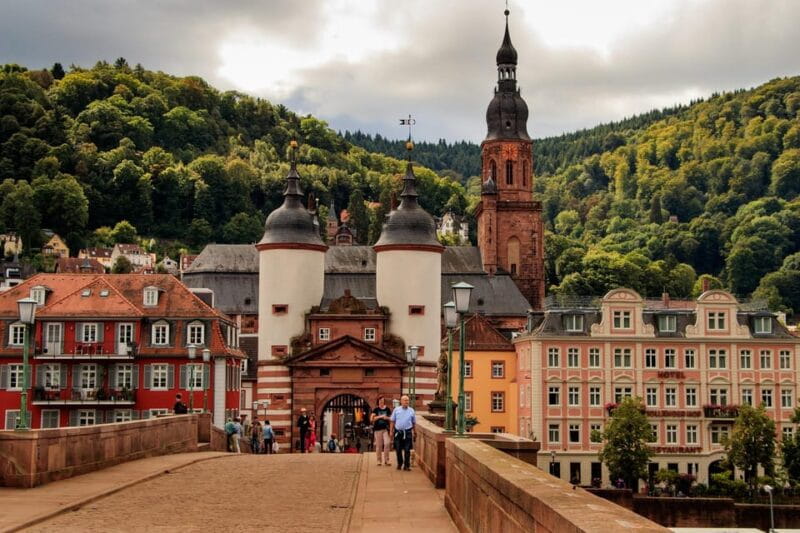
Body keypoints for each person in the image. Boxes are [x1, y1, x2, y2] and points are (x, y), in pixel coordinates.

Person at [390, 395, 416, 471]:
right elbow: (392, 421)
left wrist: (415, 431)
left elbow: (414, 422)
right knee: (398, 449)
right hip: (398, 432)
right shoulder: (396, 410)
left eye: (407, 400)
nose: (406, 402)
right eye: (404, 400)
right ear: (401, 401)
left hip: (408, 432)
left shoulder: (411, 410)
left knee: (407, 449)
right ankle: (400, 463)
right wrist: (391, 431)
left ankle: (406, 465)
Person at [371, 396, 392, 466]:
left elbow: (391, 418)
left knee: (387, 443)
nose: (381, 402)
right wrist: (380, 416)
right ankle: (379, 460)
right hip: (377, 430)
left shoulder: (388, 409)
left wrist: (387, 418)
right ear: (378, 402)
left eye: (382, 401)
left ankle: (387, 460)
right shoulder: (376, 410)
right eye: (380, 401)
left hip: (385, 429)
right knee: (379, 446)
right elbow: (372, 419)